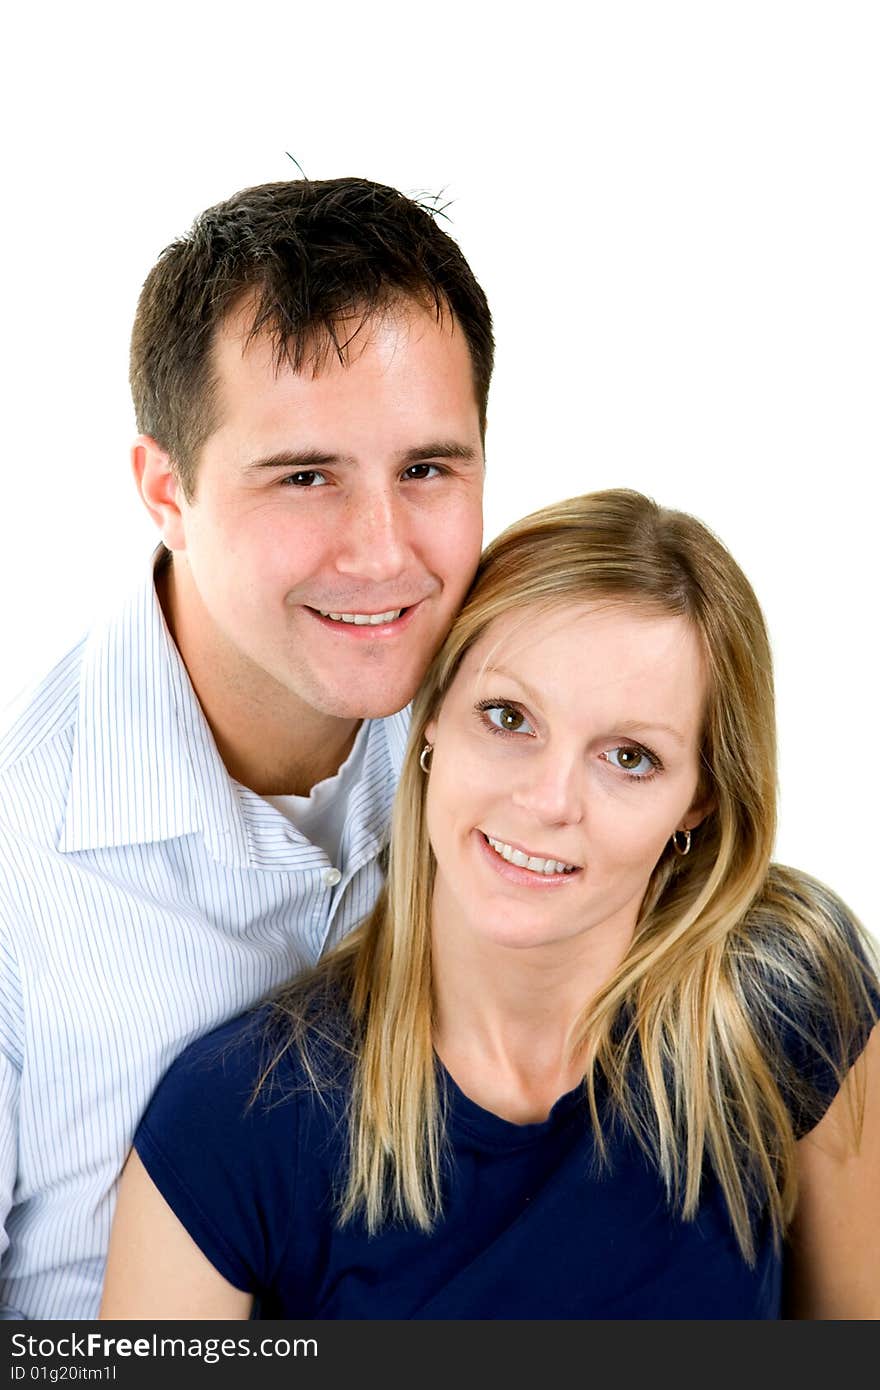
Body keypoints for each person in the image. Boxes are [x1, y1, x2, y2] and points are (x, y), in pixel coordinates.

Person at [101, 488, 879, 1320]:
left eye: (630, 757)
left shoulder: (789, 999)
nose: (549, 800)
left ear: (700, 800)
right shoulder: (238, 1116)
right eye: (508, 717)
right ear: (430, 716)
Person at [0, 176, 493, 1320]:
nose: (382, 555)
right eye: (305, 476)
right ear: (166, 490)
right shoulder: (20, 885)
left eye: (427, 469)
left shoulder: (512, 748)